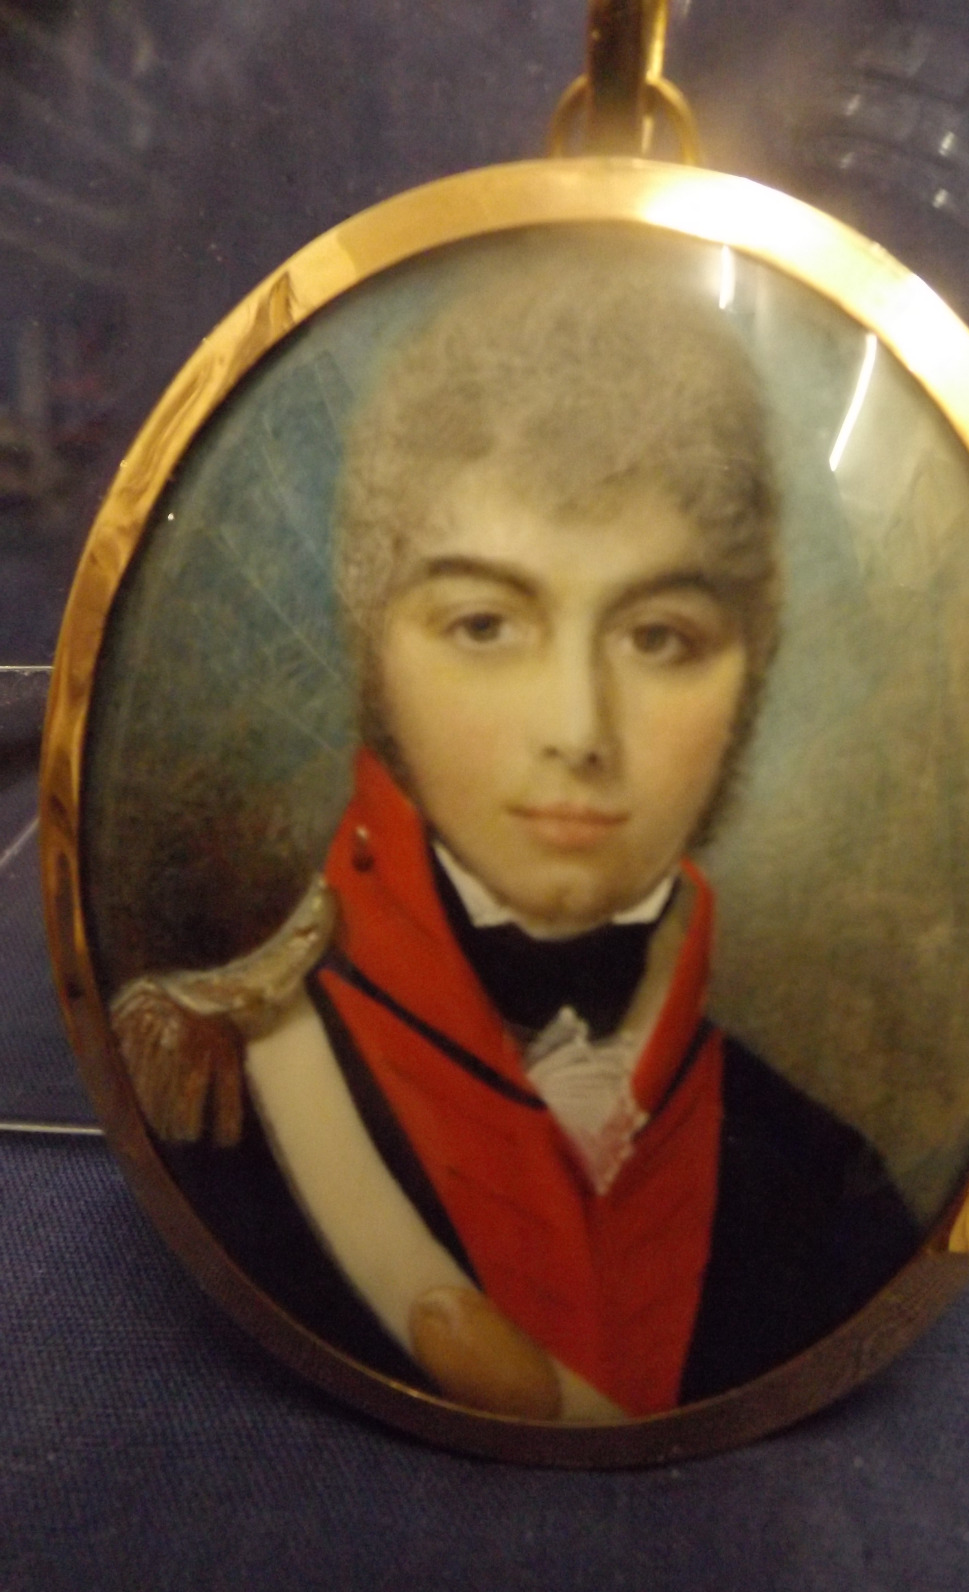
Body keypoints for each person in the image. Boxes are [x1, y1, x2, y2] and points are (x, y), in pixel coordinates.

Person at [112, 239, 919, 1422]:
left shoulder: (834, 1193)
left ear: (750, 670)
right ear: (375, 652)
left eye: (659, 638)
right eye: (486, 625)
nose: (578, 731)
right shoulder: (225, 1114)